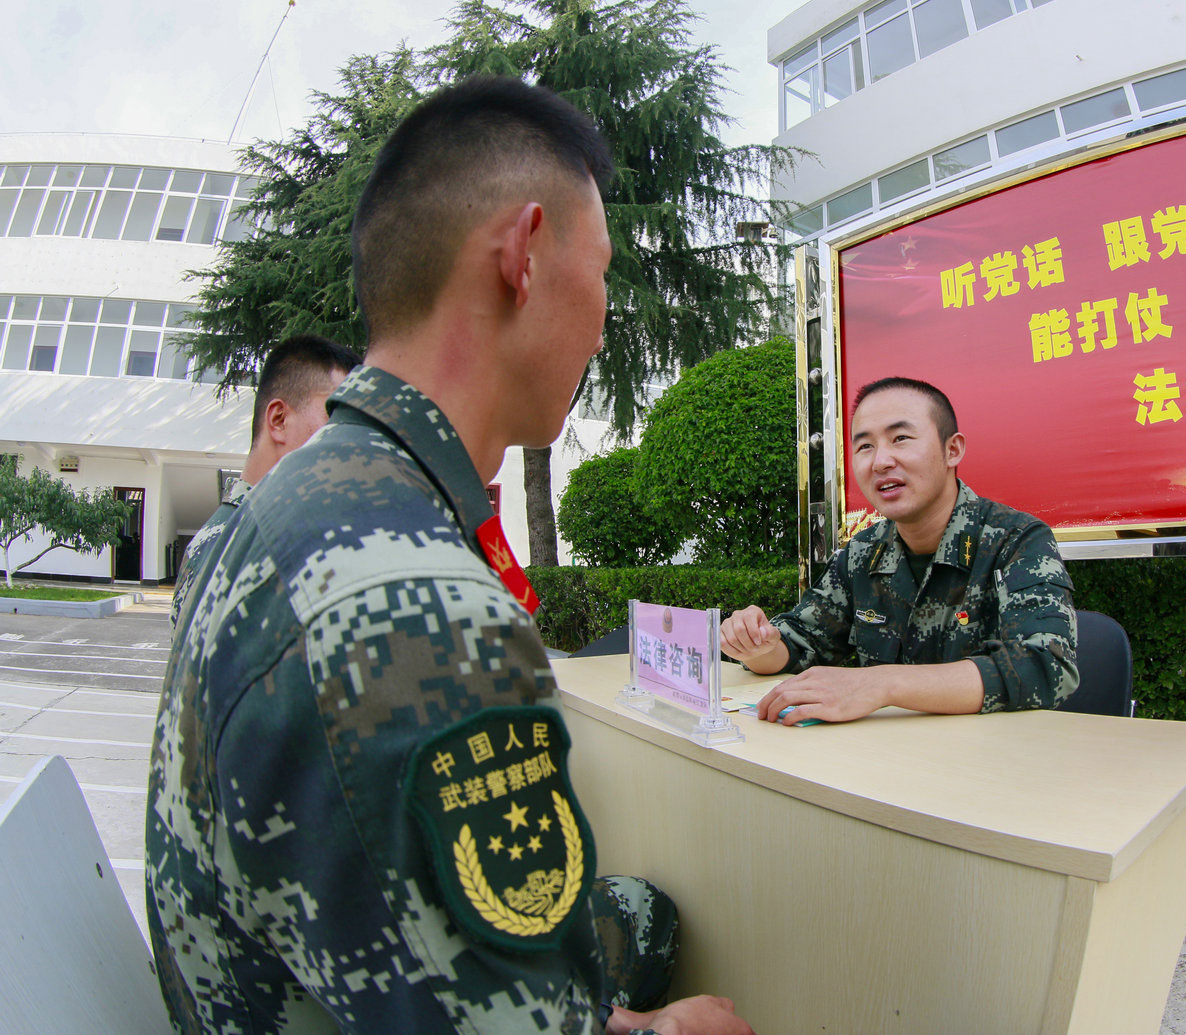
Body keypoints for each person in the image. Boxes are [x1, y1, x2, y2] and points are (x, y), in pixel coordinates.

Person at [146, 76, 751, 1035]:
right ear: (524, 253)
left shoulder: (267, 508)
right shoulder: (426, 609)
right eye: (598, 274)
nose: (602, 319)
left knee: (636, 912)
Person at [720, 377, 1078, 726]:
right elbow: (803, 642)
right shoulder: (862, 552)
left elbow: (1045, 667)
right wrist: (759, 645)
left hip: (988, 766)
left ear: (952, 450)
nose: (880, 462)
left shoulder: (1016, 540)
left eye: (900, 438)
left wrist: (882, 684)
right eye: (865, 446)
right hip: (884, 765)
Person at [168, 335, 359, 627]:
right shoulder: (236, 543)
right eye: (335, 416)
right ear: (279, 419)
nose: (348, 438)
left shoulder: (264, 529)